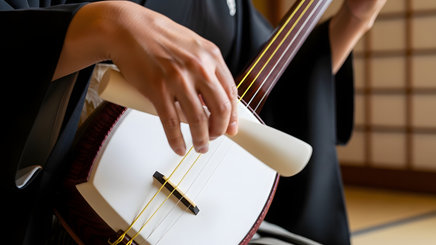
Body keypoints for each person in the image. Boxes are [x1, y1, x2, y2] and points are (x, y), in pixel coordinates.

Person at [0, 0, 385, 244]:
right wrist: (103, 26)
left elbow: (276, 101)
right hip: (41, 211)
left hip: (183, 222)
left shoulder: (227, 5)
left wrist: (352, 20)